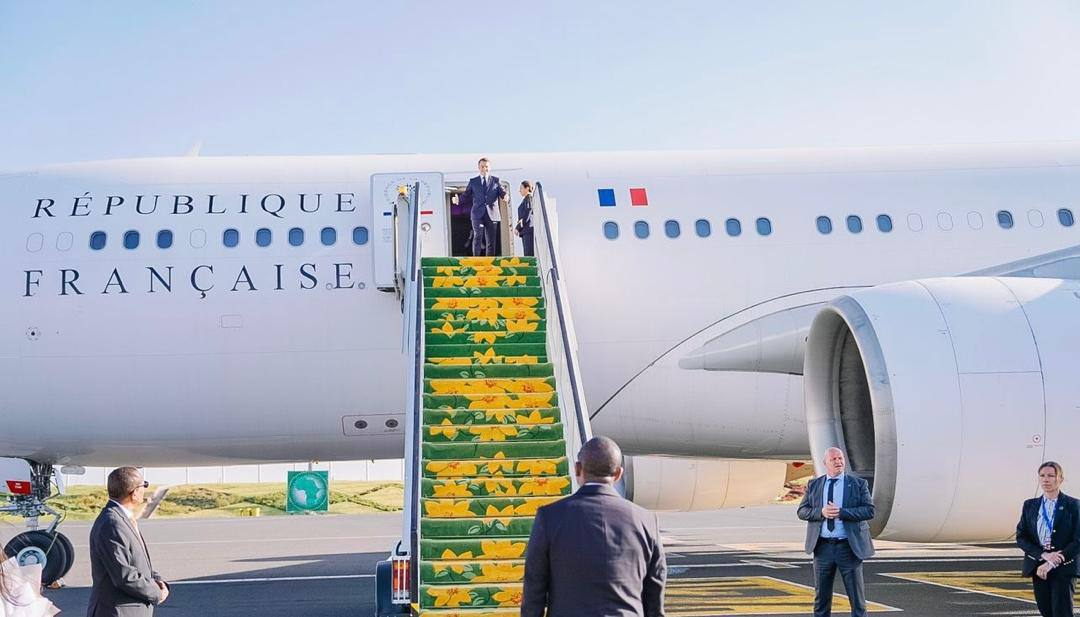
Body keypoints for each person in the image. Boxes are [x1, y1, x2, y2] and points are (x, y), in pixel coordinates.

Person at [522, 436, 666, 617]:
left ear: (577, 469)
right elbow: (655, 592)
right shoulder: (646, 521)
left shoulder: (549, 517)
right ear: (618, 474)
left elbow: (534, 591)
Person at [797, 447, 875, 617]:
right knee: (821, 599)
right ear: (825, 463)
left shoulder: (858, 484)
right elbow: (802, 511)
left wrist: (842, 512)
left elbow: (869, 511)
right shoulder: (814, 485)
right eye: (833, 459)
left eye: (840, 458)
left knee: (857, 600)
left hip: (848, 547)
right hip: (822, 548)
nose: (838, 462)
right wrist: (821, 512)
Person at [87, 467, 169, 616]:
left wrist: (158, 581)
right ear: (134, 492)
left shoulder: (121, 519)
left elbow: (136, 563)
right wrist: (157, 593)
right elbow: (124, 576)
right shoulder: (112, 524)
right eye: (144, 485)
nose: (144, 489)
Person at [1016, 461, 1080, 617]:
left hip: (1063, 567)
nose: (1046, 479)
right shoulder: (1030, 505)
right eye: (1042, 475)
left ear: (1060, 479)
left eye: (1051, 475)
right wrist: (1043, 555)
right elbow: (1021, 537)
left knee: (1062, 612)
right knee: (1046, 611)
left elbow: (1078, 540)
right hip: (1038, 567)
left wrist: (1053, 561)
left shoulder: (1073, 505)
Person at [460, 157, 506, 256]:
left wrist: (506, 197)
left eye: (486, 166)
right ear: (478, 167)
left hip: (492, 214)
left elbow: (502, 193)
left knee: (491, 240)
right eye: (482, 166)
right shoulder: (473, 181)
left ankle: (489, 260)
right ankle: (476, 259)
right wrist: (458, 200)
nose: (484, 169)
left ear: (490, 167)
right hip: (477, 214)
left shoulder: (496, 180)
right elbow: (466, 195)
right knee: (478, 235)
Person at [515, 180, 535, 257]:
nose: (519, 190)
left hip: (528, 230)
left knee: (529, 255)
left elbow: (527, 213)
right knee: (527, 254)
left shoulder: (528, 198)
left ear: (527, 188)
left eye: (521, 188)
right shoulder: (526, 199)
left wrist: (518, 227)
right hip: (525, 231)